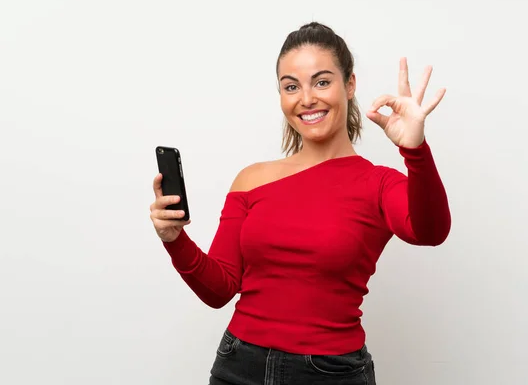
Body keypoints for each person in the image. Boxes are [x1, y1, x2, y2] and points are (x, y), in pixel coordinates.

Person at [149, 22, 451, 385]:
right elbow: (220, 289)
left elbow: (431, 231)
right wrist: (174, 239)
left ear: (349, 85)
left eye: (322, 81)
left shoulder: (379, 183)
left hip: (331, 373)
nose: (306, 98)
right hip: (237, 366)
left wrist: (414, 150)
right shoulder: (251, 179)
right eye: (291, 86)